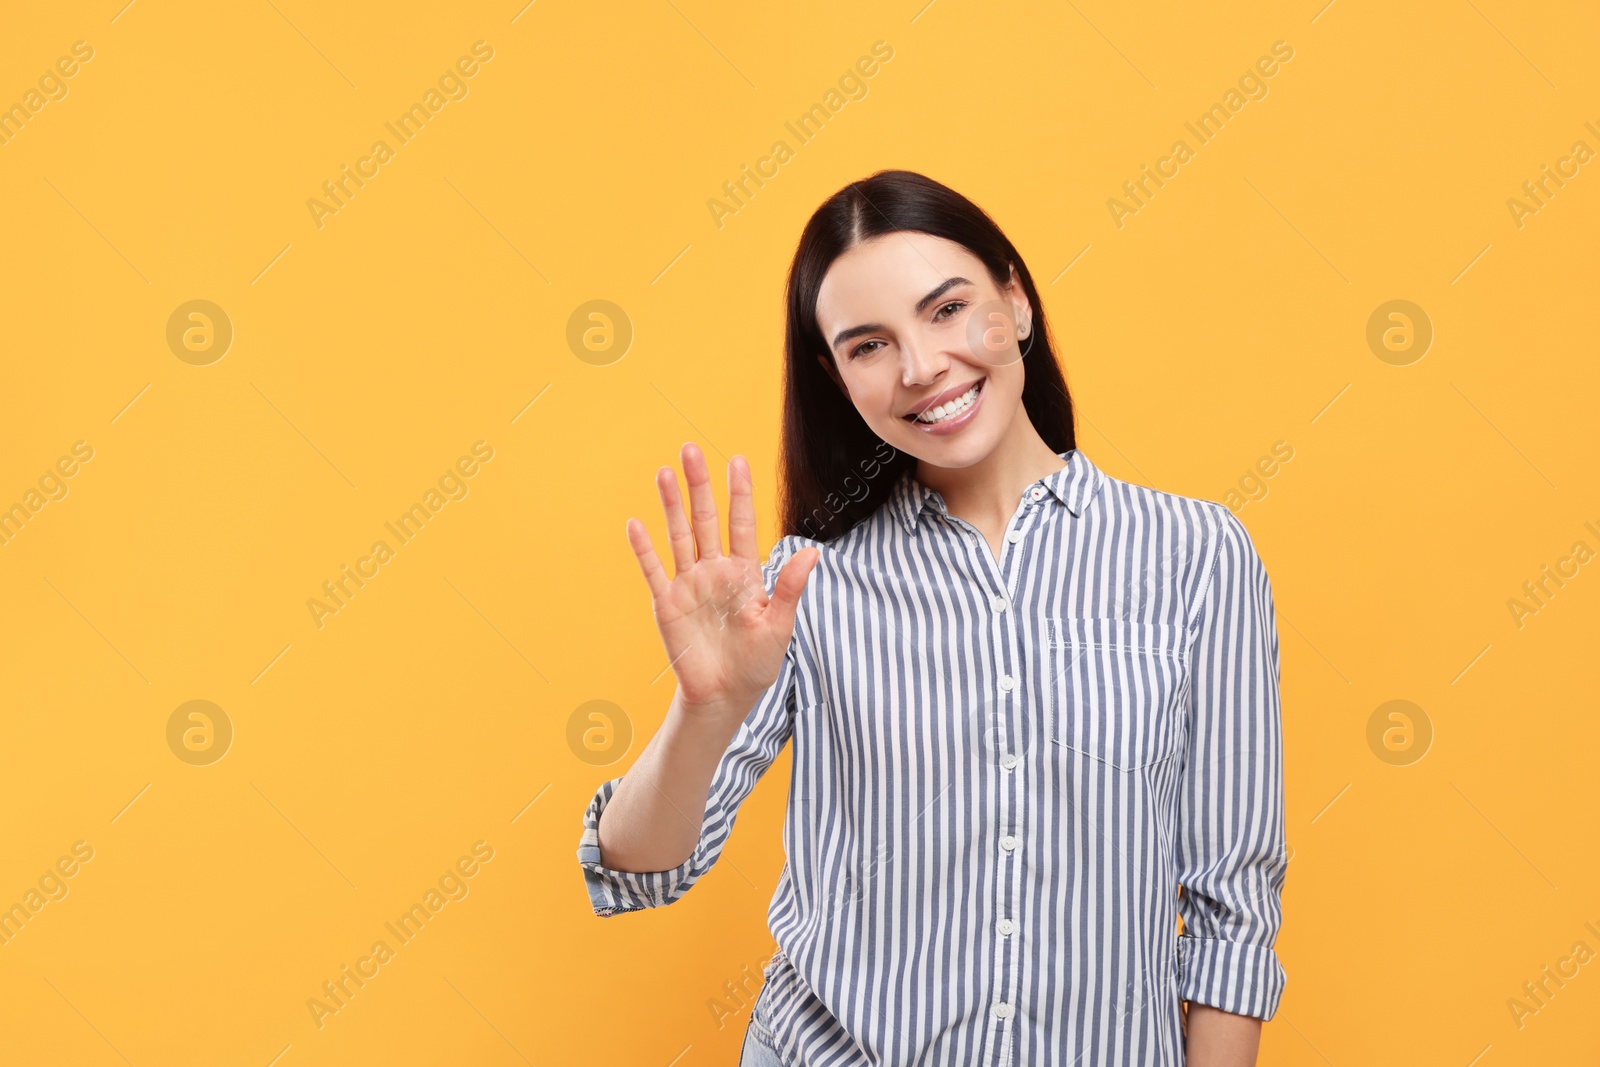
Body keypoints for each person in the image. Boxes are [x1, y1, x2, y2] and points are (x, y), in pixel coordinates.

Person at [576, 169, 1288, 1066]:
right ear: (837, 378)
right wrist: (706, 711)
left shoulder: (1198, 556)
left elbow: (1233, 907)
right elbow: (639, 867)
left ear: (1015, 304)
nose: (920, 367)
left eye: (947, 310)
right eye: (868, 345)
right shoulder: (805, 586)